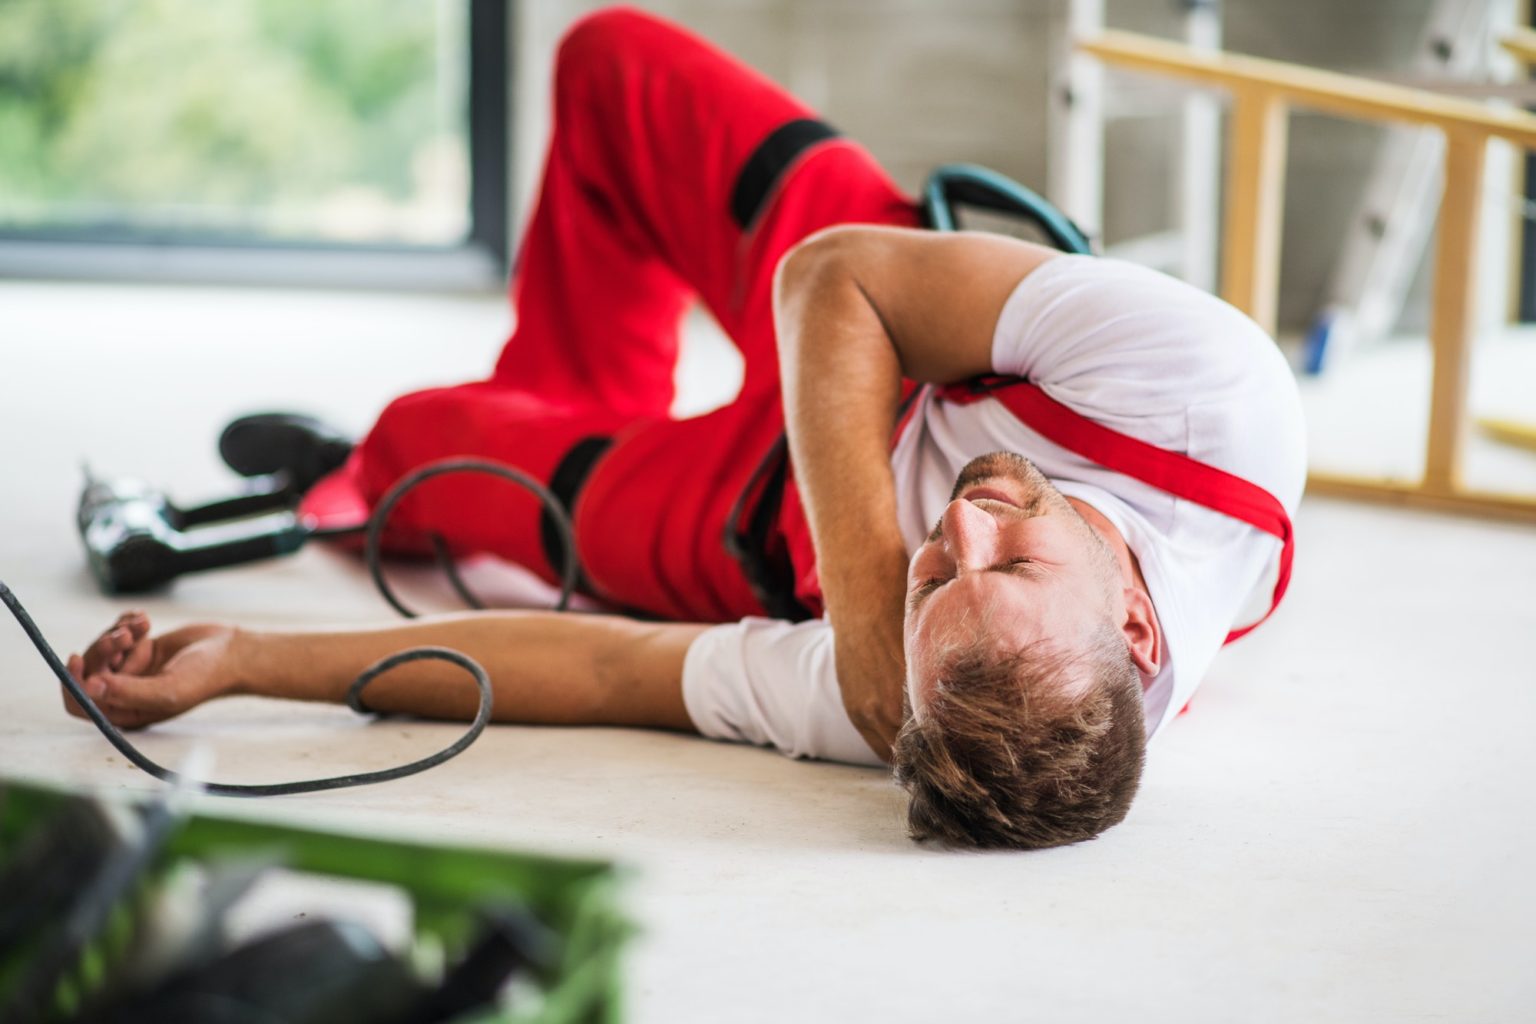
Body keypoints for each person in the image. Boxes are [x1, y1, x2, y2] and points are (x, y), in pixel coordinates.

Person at [62, 7, 1305, 850]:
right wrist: (879, 602)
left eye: (943, 582)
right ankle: (569, 384)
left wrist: (248, 658)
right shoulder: (1213, 394)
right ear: (1133, 620)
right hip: (879, 318)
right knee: (606, 59)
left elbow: (615, 667)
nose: (965, 525)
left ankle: (465, 442)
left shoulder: (916, 712)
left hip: (756, 513)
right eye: (1020, 560)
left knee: (420, 450)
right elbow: (835, 279)